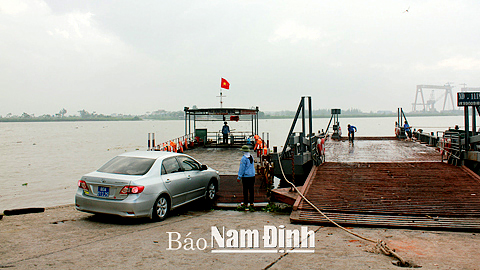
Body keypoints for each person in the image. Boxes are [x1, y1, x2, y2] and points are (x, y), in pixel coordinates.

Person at [237, 145, 256, 210]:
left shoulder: (244, 158)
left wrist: (239, 177)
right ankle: (252, 203)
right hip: (252, 175)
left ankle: (245, 203)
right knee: (251, 189)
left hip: (246, 176)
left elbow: (242, 168)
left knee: (245, 190)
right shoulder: (251, 157)